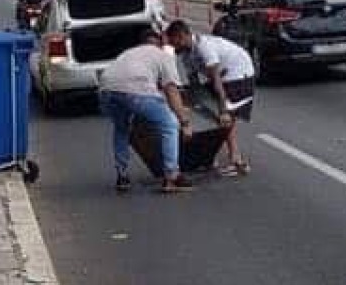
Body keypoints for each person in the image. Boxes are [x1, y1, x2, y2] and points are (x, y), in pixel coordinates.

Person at [98, 27, 192, 195]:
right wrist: (184, 121)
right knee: (169, 124)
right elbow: (171, 90)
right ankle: (171, 176)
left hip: (106, 90)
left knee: (122, 128)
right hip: (136, 91)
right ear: (161, 44)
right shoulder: (162, 56)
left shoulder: (129, 53)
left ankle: (122, 175)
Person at [167, 19, 254, 176]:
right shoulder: (185, 54)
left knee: (226, 117)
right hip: (222, 76)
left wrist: (223, 110)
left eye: (174, 43)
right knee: (208, 113)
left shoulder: (204, 47)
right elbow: (194, 84)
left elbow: (216, 80)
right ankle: (210, 155)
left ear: (182, 36)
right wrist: (190, 104)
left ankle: (236, 159)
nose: (173, 47)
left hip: (238, 73)